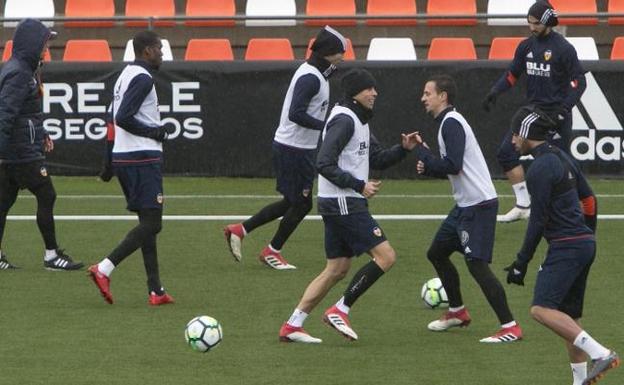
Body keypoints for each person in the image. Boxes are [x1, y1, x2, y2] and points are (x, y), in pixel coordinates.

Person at [279, 69, 419, 343]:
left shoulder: (359, 119)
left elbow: (375, 158)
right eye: (369, 89)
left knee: (337, 268)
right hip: (344, 202)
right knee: (386, 256)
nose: (375, 93)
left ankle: (293, 325)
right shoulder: (344, 120)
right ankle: (340, 310)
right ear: (356, 92)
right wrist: (359, 185)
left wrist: (403, 149)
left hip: (339, 203)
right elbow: (324, 163)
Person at [224, 26, 347, 270]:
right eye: (339, 52)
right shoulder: (311, 77)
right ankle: (272, 250)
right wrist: (326, 127)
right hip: (294, 149)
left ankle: (241, 230)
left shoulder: (316, 71)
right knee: (301, 204)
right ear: (327, 53)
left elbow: (327, 72)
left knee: (291, 202)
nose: (342, 57)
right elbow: (296, 113)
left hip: (299, 148)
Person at [506, 121, 619, 385]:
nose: (511, 140)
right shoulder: (561, 157)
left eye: (514, 134)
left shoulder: (539, 169)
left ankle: (601, 353)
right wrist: (588, 235)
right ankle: (580, 381)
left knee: (541, 309)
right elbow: (590, 199)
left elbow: (537, 220)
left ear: (525, 134)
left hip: (566, 245)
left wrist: (521, 262)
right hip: (582, 243)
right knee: (569, 319)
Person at [415, 75, 523, 343]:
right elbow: (451, 167)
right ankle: (457, 311)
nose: (423, 98)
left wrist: (426, 160)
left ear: (443, 96)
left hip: (479, 205)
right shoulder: (447, 123)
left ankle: (510, 326)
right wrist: (426, 158)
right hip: (465, 205)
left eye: (428, 93)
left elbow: (452, 165)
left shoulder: (451, 123)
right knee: (437, 252)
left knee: (476, 265)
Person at [87, 30, 175, 306]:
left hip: (126, 158)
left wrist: (108, 161)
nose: (162, 53)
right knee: (153, 223)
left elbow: (111, 119)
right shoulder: (143, 78)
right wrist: (155, 132)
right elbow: (123, 117)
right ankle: (104, 268)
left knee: (146, 224)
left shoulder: (124, 76)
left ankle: (155, 290)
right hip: (142, 159)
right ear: (146, 51)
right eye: (159, 48)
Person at [482, 0, 587, 223]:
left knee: (562, 168)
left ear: (548, 21)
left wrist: (563, 109)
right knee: (506, 153)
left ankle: (576, 211)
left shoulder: (564, 49)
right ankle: (523, 204)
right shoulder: (526, 46)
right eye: (529, 23)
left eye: (536, 23)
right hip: (534, 113)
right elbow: (512, 74)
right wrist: (495, 91)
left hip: (556, 116)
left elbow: (580, 82)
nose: (532, 27)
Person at [0, 19, 83, 271]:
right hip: (21, 152)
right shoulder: (19, 73)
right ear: (32, 42)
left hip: (17, 149)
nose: (47, 47)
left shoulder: (20, 69)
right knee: (47, 194)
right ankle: (51, 255)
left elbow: (26, 112)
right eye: (45, 41)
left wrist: (42, 132)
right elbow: (5, 113)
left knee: (3, 202)